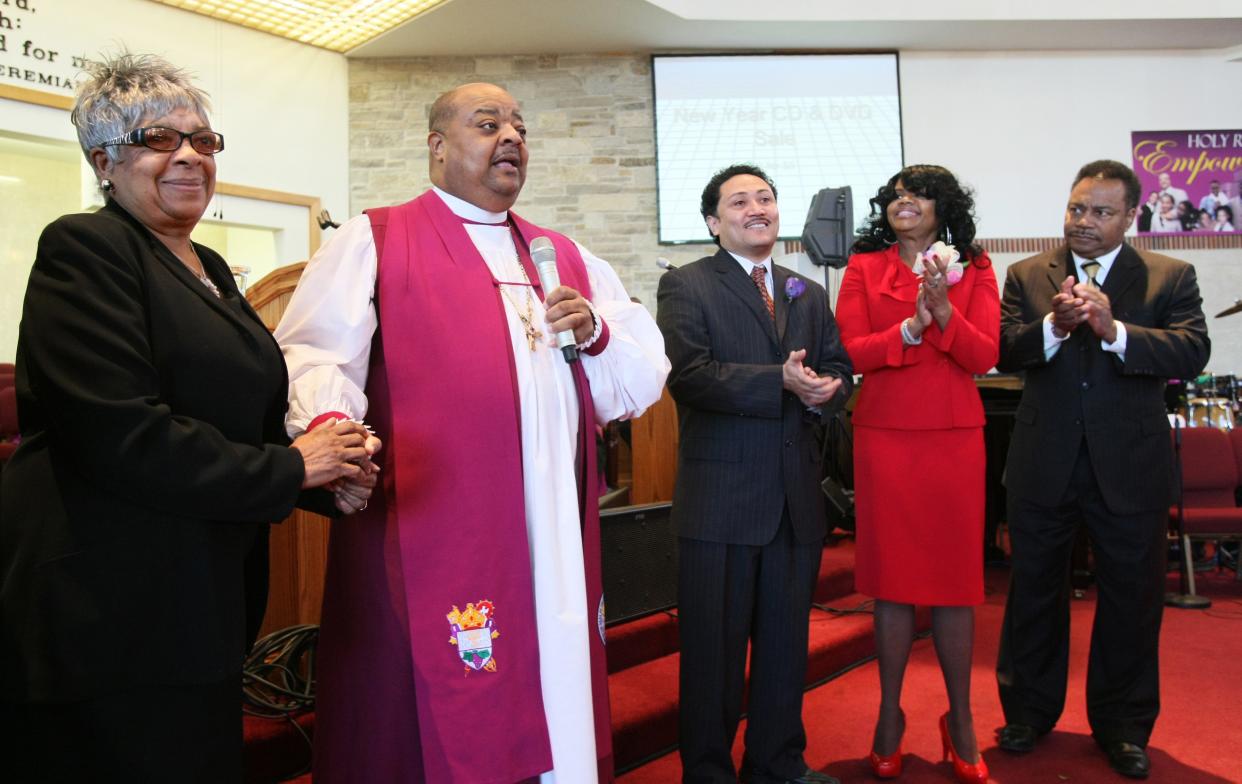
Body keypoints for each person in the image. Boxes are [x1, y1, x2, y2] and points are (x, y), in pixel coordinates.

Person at [274, 82, 669, 783]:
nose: (511, 137)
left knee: (554, 672)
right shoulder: (378, 239)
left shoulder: (565, 254)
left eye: (519, 127)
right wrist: (334, 427)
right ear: (436, 146)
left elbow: (635, 384)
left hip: (552, 523)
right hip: (435, 515)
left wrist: (599, 331)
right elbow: (314, 352)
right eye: (488, 124)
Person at [0, 53, 378, 783]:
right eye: (159, 138)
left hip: (195, 598)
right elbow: (121, 433)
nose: (189, 157)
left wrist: (325, 481)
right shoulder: (86, 248)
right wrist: (295, 466)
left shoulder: (204, 262)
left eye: (203, 141)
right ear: (104, 161)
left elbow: (233, 422)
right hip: (105, 608)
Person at [995, 160, 1209, 779]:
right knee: (1033, 593)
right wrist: (1053, 328)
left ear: (1130, 217)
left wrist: (1114, 330)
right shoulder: (1027, 273)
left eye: (1100, 212)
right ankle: (1028, 712)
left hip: (1131, 467)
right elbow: (1003, 348)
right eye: (1076, 209)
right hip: (1044, 464)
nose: (1083, 222)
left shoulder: (1170, 275)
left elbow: (1192, 351)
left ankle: (1122, 727)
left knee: (1133, 601)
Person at [657, 164, 853, 784]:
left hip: (795, 503)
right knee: (713, 655)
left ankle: (777, 763)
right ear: (715, 223)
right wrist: (780, 382)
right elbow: (688, 376)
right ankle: (709, 773)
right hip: (721, 504)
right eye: (739, 201)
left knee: (784, 648)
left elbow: (840, 369)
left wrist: (828, 389)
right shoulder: (687, 286)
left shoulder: (806, 292)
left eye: (765, 197)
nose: (756, 207)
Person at [836, 165, 999, 784]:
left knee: (956, 584)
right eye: (897, 193)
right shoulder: (864, 267)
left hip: (955, 436)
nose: (905, 201)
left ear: (943, 209)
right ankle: (888, 716)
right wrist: (910, 327)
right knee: (894, 583)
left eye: (920, 193)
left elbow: (984, 356)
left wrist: (944, 314)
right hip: (886, 436)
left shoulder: (976, 269)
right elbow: (849, 351)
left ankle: (961, 720)